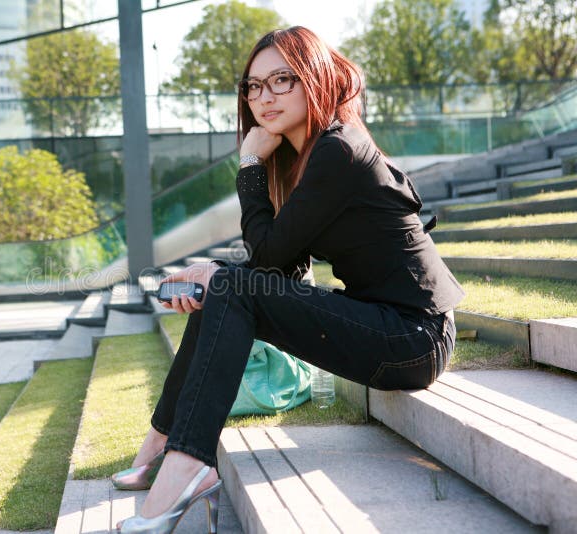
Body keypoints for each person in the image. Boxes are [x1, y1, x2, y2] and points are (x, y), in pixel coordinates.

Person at [114, 26, 464, 533]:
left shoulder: (340, 149)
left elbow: (267, 258)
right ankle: (163, 443)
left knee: (231, 285)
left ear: (314, 77)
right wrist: (225, 275)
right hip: (384, 327)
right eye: (253, 86)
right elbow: (279, 268)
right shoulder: (305, 159)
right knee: (230, 288)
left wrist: (250, 164)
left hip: (413, 338)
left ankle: (184, 463)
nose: (264, 97)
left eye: (281, 80)